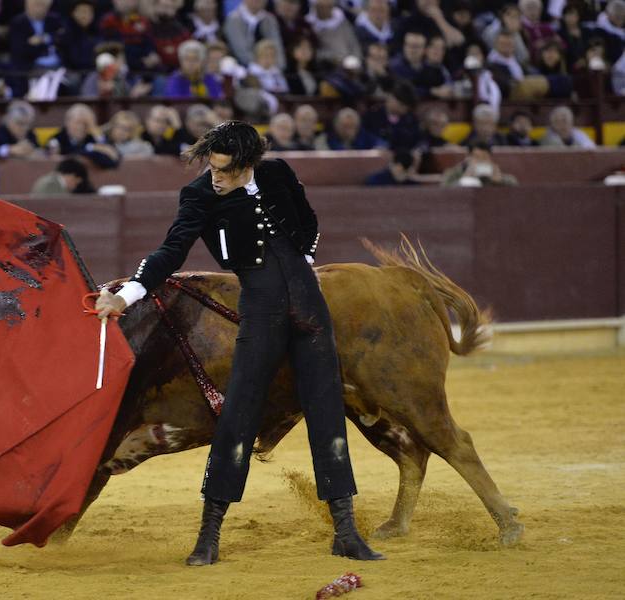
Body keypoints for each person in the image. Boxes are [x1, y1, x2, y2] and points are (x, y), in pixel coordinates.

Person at [93, 120, 384, 565]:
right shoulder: (199, 196)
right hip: (262, 313)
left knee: (327, 416)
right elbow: (170, 252)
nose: (216, 176)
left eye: (226, 170)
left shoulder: (278, 173)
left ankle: (346, 532)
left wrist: (304, 262)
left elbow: (308, 221)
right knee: (237, 419)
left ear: (249, 164)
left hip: (310, 312)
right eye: (212, 167)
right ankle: (208, 537)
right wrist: (127, 295)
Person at [223, 0, 286, 69]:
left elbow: (277, 47)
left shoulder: (270, 19)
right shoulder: (234, 20)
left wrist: (278, 67)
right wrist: (261, 66)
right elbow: (241, 52)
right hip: (243, 69)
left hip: (271, 68)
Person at [442, 142, 518, 186]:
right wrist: (465, 179)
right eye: (477, 157)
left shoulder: (495, 172)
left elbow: (514, 186)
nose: (481, 161)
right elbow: (445, 192)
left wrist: (500, 182)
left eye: (484, 158)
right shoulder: (452, 173)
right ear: (468, 158)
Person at [30, 157, 96, 194]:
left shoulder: (50, 180)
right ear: (71, 176)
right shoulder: (50, 185)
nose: (75, 186)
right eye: (76, 182)